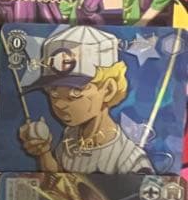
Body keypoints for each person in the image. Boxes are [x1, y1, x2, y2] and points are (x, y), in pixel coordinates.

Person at [18, 25, 153, 173]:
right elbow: (62, 181)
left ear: (108, 90)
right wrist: (44, 153)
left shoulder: (130, 161)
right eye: (54, 92)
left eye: (75, 91)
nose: (60, 104)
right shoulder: (71, 136)